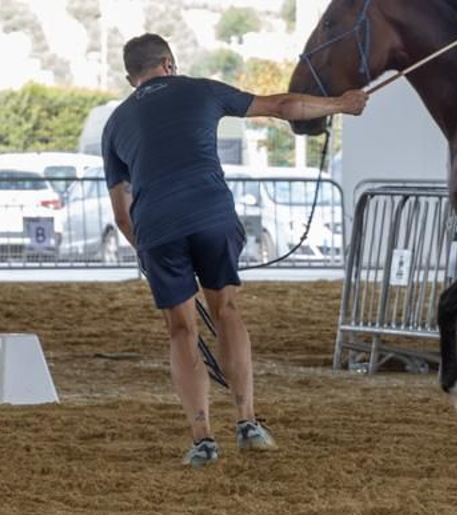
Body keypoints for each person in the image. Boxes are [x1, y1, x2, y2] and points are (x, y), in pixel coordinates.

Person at [102, 34, 368, 468]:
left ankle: (202, 439)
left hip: (158, 226)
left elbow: (122, 215)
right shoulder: (202, 90)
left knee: (181, 330)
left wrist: (149, 252)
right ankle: (247, 422)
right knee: (226, 310)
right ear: (169, 63)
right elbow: (283, 106)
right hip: (211, 213)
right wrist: (340, 104)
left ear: (132, 78)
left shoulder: (115, 124)